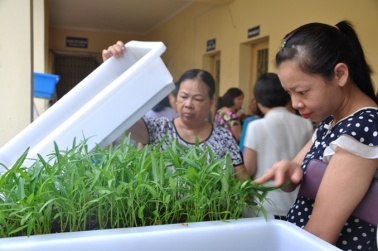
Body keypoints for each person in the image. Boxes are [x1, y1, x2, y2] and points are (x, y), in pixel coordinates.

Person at [254, 21, 378, 250]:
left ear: (339, 74)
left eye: (302, 92)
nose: (294, 103)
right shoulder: (331, 121)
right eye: (289, 92)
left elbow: (321, 232)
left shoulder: (361, 129)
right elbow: (296, 173)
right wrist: (290, 170)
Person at [102, 41, 248, 180]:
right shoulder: (160, 129)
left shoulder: (224, 138)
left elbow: (244, 183)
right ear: (176, 98)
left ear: (211, 103)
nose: (188, 104)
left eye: (197, 99)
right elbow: (122, 120)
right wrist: (112, 71)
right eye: (183, 96)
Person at [243, 72, 313, 219]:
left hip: (264, 204)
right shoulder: (305, 124)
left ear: (259, 101)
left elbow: (249, 169)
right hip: (296, 203)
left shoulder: (256, 126)